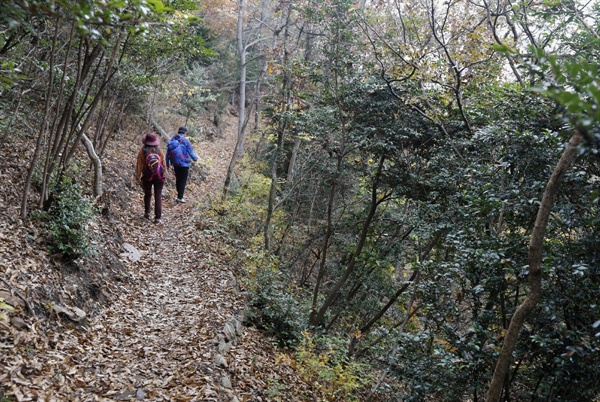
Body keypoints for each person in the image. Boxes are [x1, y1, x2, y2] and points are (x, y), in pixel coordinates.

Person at [135, 132, 167, 224]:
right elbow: (163, 164)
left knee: (148, 194)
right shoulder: (158, 150)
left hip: (147, 177)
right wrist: (164, 174)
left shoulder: (143, 151)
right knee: (158, 196)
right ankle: (157, 218)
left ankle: (147, 213)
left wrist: (137, 177)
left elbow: (139, 165)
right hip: (159, 177)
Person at [166, 126, 199, 203]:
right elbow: (191, 151)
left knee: (178, 179)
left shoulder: (172, 139)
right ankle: (180, 197)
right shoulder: (186, 140)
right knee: (183, 180)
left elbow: (168, 153)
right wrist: (195, 158)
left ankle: (179, 195)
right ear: (185, 133)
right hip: (184, 164)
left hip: (175, 163)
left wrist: (166, 163)